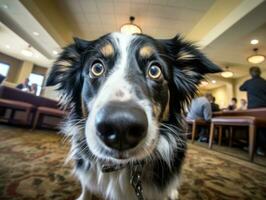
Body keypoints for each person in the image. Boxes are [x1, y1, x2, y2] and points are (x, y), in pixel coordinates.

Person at [240, 66, 266, 156]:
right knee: (263, 128)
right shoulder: (264, 82)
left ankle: (251, 146)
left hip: (252, 108)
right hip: (264, 108)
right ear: (260, 73)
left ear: (250, 73)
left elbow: (241, 88)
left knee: (251, 126)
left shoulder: (248, 82)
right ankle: (261, 148)